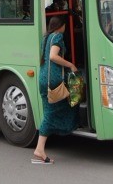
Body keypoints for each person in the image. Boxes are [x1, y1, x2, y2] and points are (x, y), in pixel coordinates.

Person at [32, 16, 78, 164]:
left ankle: (64, 131)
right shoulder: (57, 36)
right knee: (52, 113)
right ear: (61, 26)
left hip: (44, 79)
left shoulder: (45, 38)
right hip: (53, 81)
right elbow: (53, 56)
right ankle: (39, 149)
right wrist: (70, 64)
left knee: (55, 109)